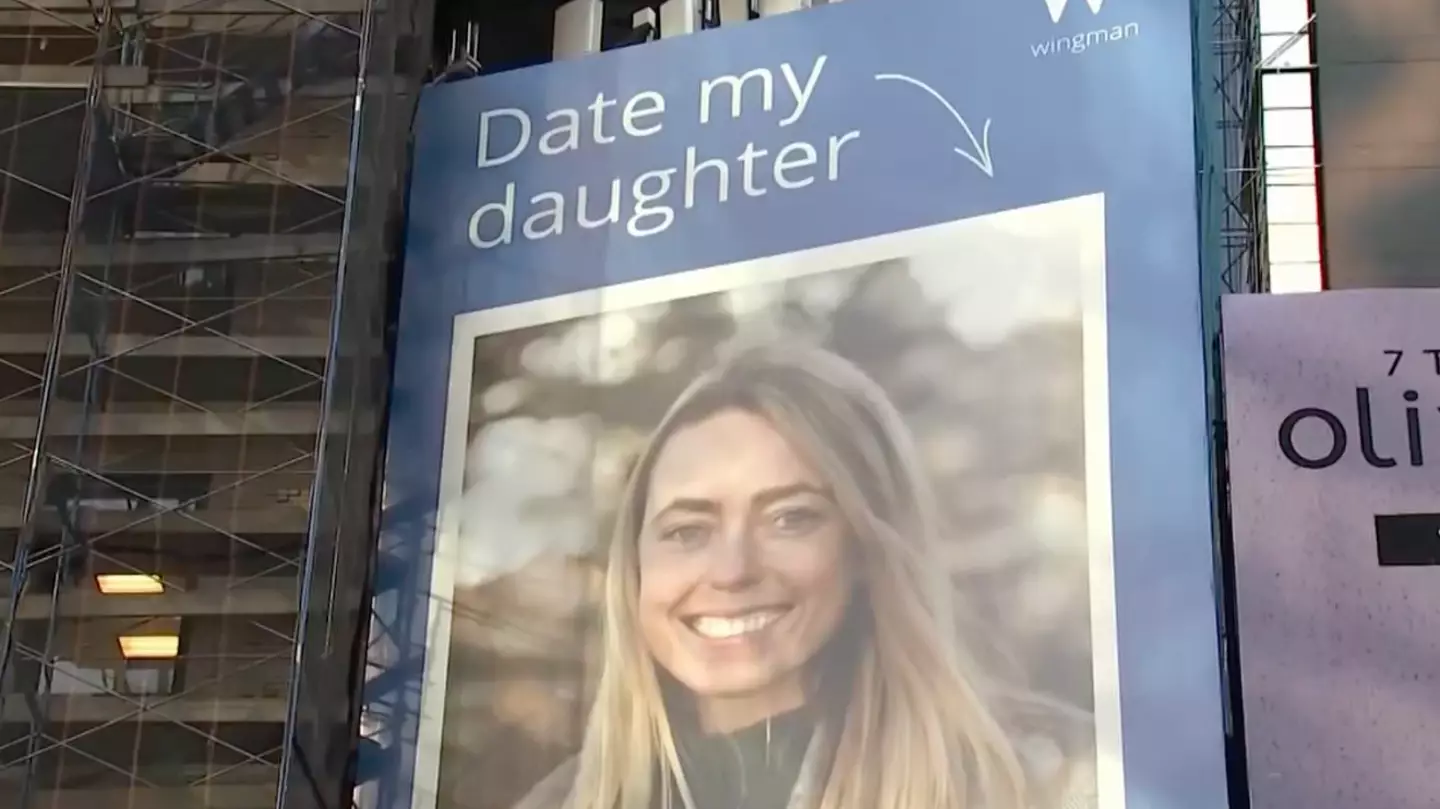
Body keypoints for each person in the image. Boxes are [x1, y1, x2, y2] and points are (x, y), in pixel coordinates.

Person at [515, 342, 1095, 809]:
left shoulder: (1045, 776)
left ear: (866, 549)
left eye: (790, 518)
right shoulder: (562, 801)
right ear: (635, 566)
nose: (732, 570)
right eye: (688, 530)